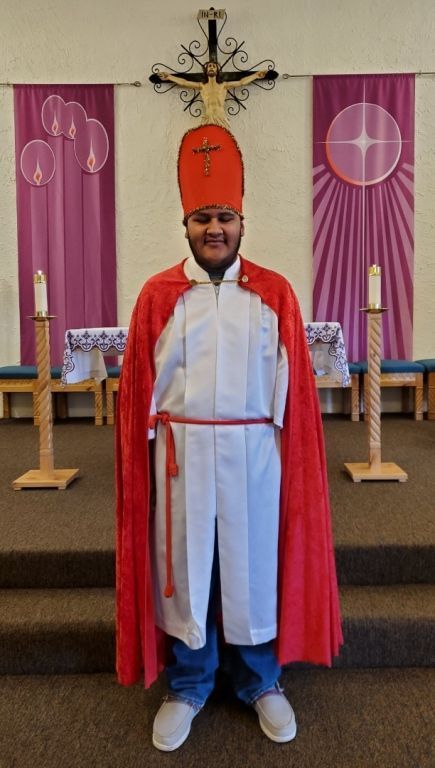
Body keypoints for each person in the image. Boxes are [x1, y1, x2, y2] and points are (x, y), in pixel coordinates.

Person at [116, 124, 342, 752]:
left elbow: (292, 393)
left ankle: (260, 679)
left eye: (223, 217)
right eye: (200, 218)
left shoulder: (273, 294)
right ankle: (189, 683)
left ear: (241, 222)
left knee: (252, 567)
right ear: (184, 225)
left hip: (252, 457)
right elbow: (139, 391)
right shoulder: (160, 296)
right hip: (182, 458)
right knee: (189, 570)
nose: (213, 228)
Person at [156, 61, 268, 127]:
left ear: (217, 71)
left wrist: (256, 76)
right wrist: (169, 76)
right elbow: (184, 82)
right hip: (207, 118)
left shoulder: (223, 85)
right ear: (206, 70)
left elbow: (241, 82)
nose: (211, 68)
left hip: (221, 118)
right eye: (209, 66)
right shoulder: (202, 85)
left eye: (214, 67)